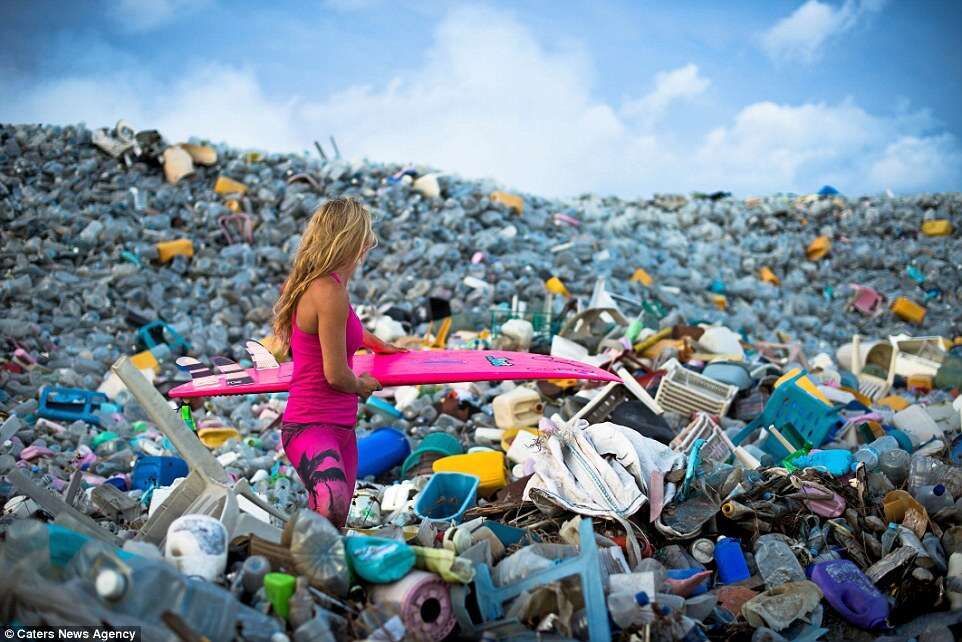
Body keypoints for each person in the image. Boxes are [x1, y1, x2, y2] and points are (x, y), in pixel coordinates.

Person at [272, 197, 404, 527]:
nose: (367, 248)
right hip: (310, 424)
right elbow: (336, 375)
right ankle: (297, 571)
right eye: (366, 238)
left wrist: (378, 344)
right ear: (352, 240)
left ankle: (321, 574)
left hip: (341, 429)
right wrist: (363, 385)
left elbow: (346, 328)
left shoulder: (329, 287)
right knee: (330, 506)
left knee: (336, 519)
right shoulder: (328, 291)